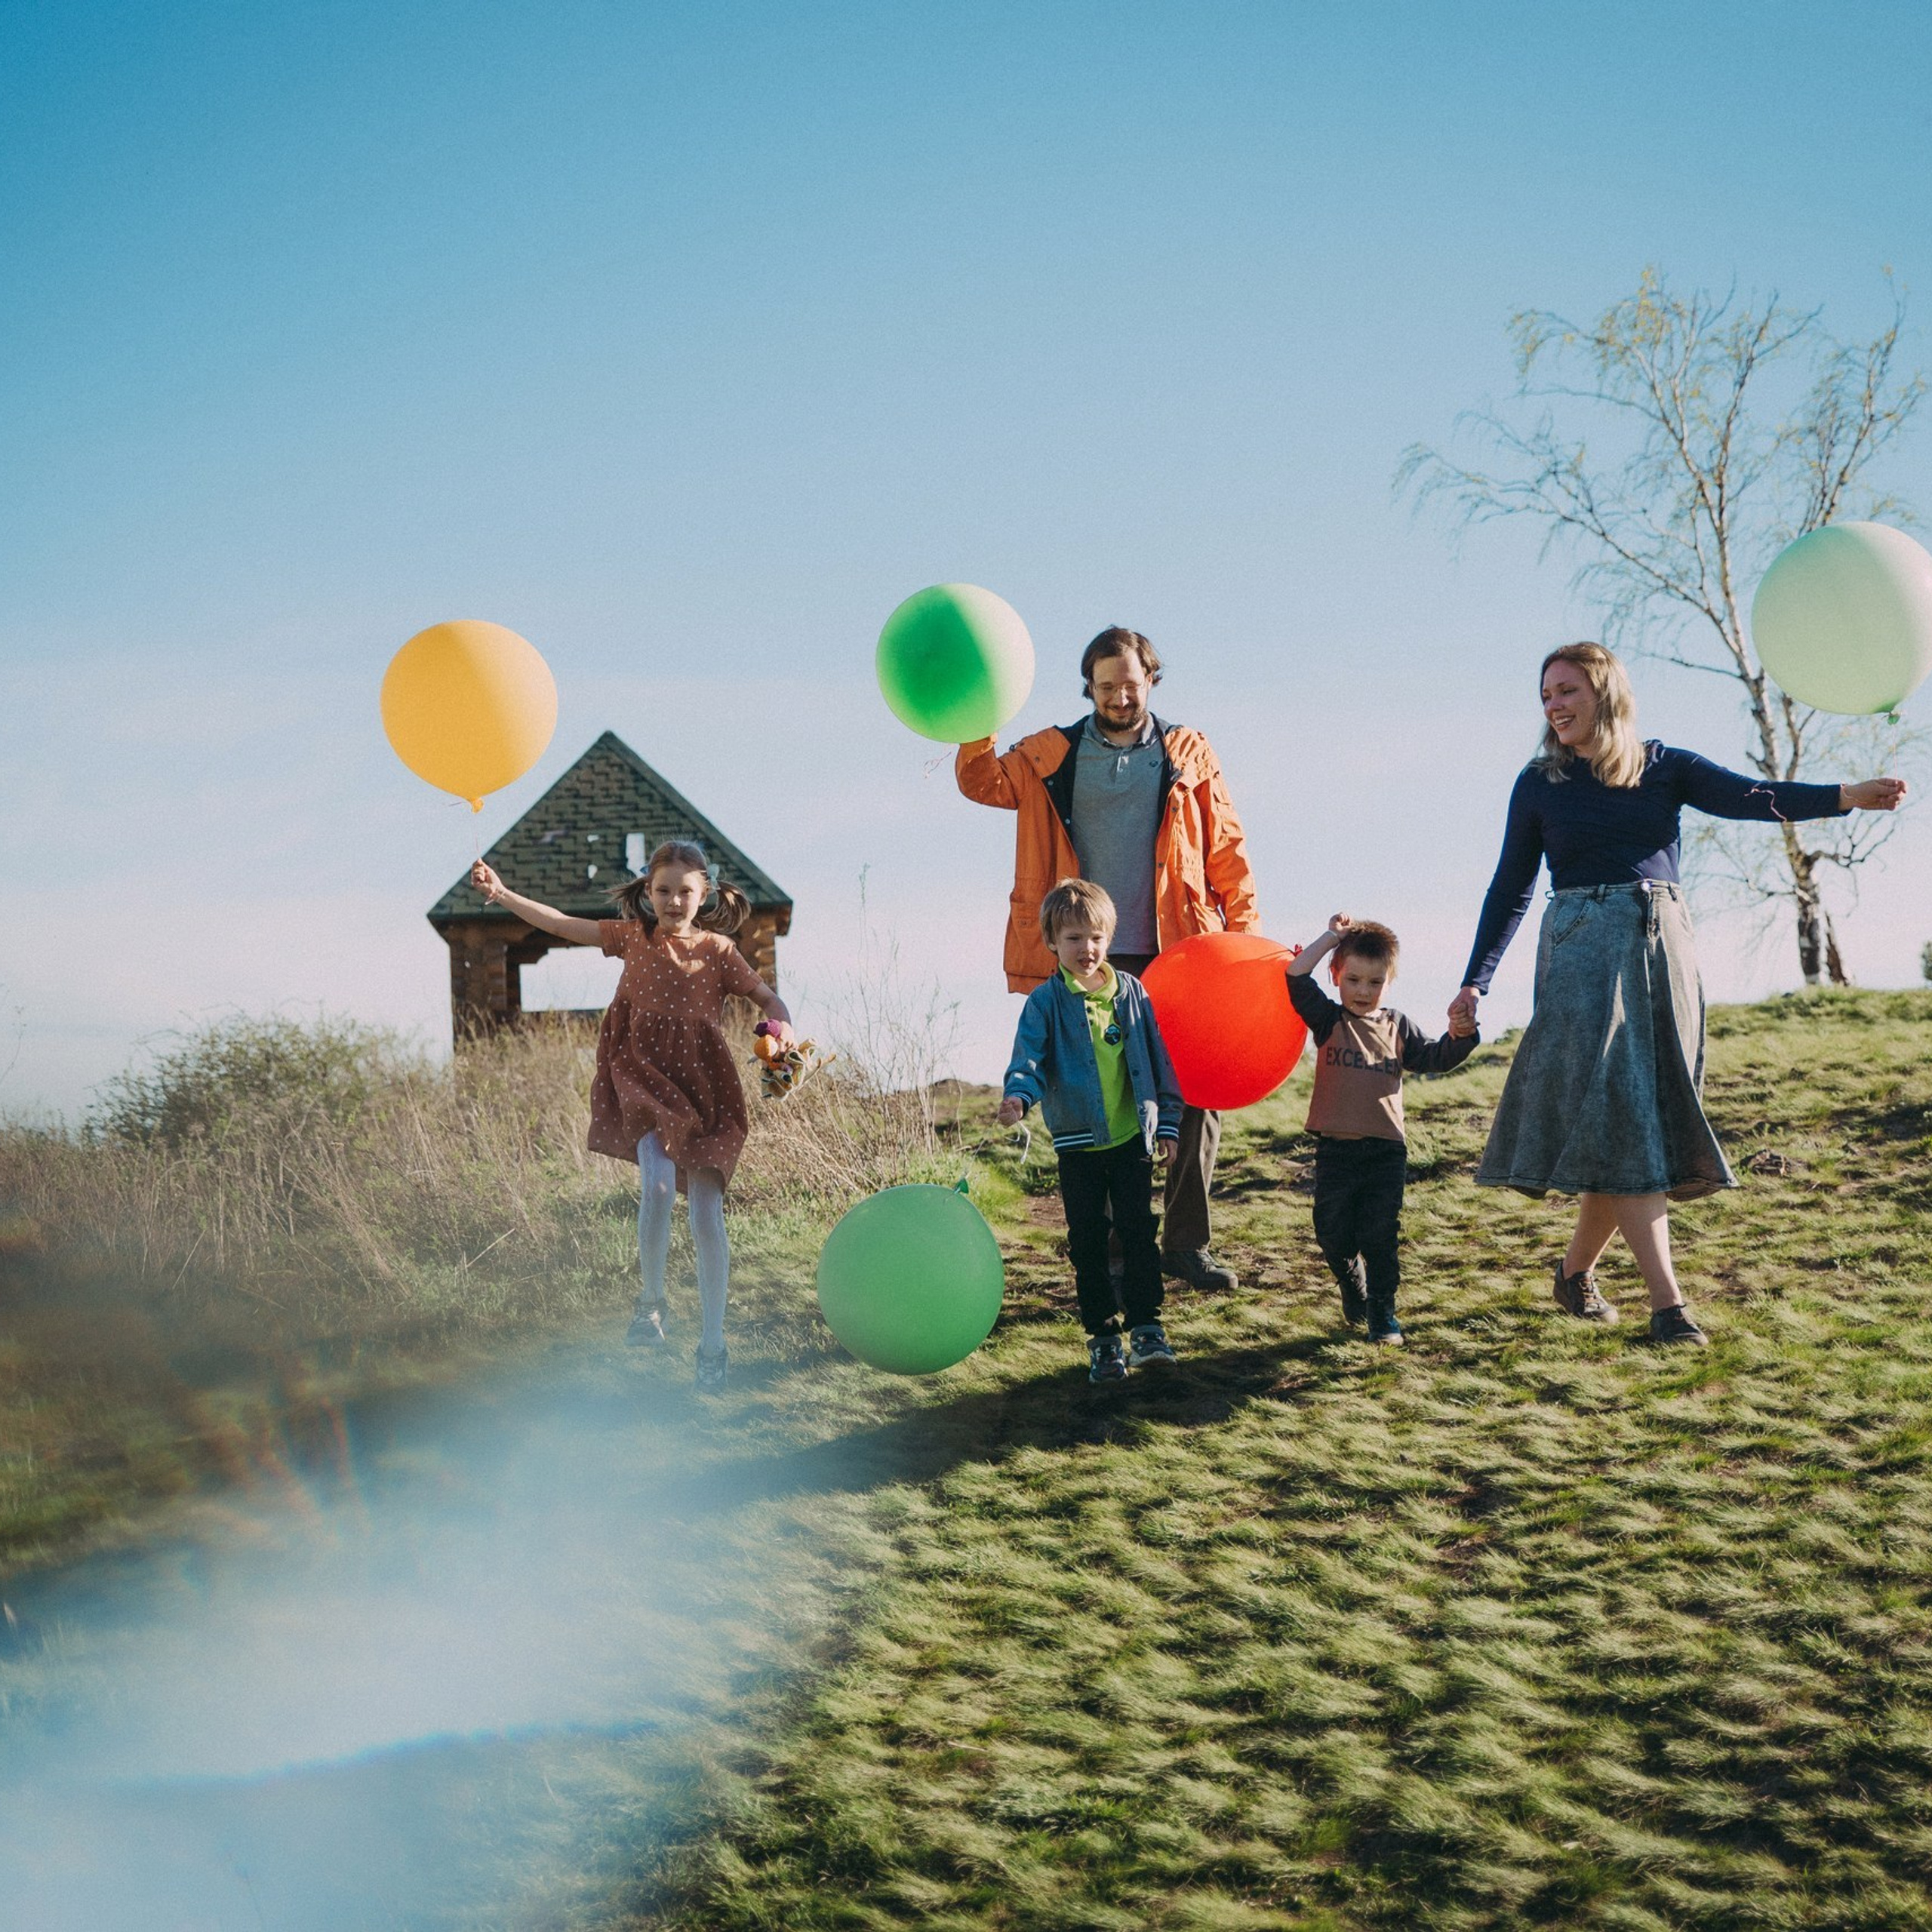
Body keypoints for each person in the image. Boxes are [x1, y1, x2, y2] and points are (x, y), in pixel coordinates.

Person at [1447, 642, 1907, 1345]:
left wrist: (1844, 796)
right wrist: (1474, 981)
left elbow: (1750, 797)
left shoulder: (1664, 766)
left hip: (1664, 951)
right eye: (1546, 696)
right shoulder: (1540, 783)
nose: (1554, 706)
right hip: (1583, 956)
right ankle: (1670, 1307)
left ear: (1604, 692)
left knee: (1634, 1120)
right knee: (1625, 1115)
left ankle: (1574, 1274)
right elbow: (1510, 887)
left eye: (1567, 690)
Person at [958, 626, 1258, 1294]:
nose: (1120, 697)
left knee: (1196, 1096)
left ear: (1152, 680)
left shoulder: (1189, 752)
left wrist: (1244, 941)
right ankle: (1119, 1251)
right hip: (1089, 957)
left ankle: (1186, 1244)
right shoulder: (1051, 753)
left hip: (1181, 954)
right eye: (1106, 687)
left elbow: (1227, 852)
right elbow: (981, 781)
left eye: (1130, 684)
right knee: (1107, 1100)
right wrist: (979, 711)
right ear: (1088, 688)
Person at [469, 841, 795, 1391]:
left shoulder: (718, 951)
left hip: (706, 1093)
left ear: (704, 894)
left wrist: (781, 1036)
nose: (674, 901)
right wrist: (501, 893)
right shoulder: (632, 938)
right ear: (648, 891)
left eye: (685, 892)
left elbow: (770, 1000)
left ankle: (712, 1345)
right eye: (663, 890)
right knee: (659, 1186)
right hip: (643, 1078)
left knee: (707, 1215)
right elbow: (562, 924)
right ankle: (651, 1302)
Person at [996, 879, 1184, 1384]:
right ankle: (1103, 1342)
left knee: (1139, 1233)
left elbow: (1158, 1061)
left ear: (1110, 939)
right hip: (1078, 1144)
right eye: (1074, 939)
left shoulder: (1132, 993)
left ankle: (1147, 1330)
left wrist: (1167, 1121)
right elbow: (1029, 1061)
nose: (1087, 949)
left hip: (1131, 1139)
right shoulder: (1045, 1003)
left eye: (1096, 937)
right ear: (1052, 942)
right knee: (1088, 1243)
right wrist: (1019, 1097)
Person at [1286, 915, 1478, 1345]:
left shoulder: (1397, 1025)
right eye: (1353, 980)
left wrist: (1461, 1035)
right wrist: (1333, 937)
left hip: (1385, 1154)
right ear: (1335, 976)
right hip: (1336, 1153)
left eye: (1375, 982)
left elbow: (1435, 1058)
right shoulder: (1328, 1020)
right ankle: (1352, 1284)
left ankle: (1383, 1315)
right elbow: (1296, 975)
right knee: (1331, 1233)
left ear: (1389, 984)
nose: (1363, 991)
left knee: (1379, 1237)